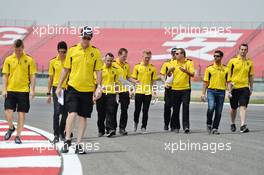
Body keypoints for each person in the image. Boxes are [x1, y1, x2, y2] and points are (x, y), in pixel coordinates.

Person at [56, 26, 103, 154]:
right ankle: (67, 140)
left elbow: (98, 71)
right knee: (72, 113)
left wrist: (99, 87)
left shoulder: (96, 52)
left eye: (88, 38)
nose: (86, 40)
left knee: (83, 117)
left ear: (91, 38)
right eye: (84, 37)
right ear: (80, 36)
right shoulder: (72, 50)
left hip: (88, 90)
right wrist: (59, 86)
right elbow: (65, 69)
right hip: (73, 88)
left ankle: (78, 144)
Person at [2, 39, 37, 144]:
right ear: (14, 48)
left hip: (23, 90)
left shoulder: (29, 60)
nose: (18, 52)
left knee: (21, 114)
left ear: (23, 47)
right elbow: (5, 75)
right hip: (11, 89)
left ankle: (18, 136)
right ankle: (11, 127)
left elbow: (33, 75)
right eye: (16, 50)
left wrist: (32, 89)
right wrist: (4, 89)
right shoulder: (8, 60)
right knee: (8, 111)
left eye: (20, 50)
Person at [201, 50, 232, 134]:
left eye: (217, 56)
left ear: (221, 57)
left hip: (221, 92)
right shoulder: (209, 68)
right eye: (214, 56)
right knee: (211, 108)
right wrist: (203, 93)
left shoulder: (226, 69)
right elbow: (205, 82)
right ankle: (209, 123)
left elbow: (228, 81)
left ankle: (215, 128)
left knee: (218, 111)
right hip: (211, 91)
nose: (215, 57)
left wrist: (229, 91)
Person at [227, 44, 254, 133]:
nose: (243, 51)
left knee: (243, 106)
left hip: (245, 87)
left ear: (247, 51)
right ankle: (232, 123)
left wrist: (251, 87)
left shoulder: (250, 62)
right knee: (233, 107)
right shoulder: (232, 61)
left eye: (245, 49)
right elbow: (228, 75)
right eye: (242, 49)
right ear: (239, 50)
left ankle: (242, 125)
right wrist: (229, 88)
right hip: (234, 88)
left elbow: (250, 76)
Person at [167, 48, 195, 134]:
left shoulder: (189, 62)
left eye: (177, 53)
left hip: (186, 89)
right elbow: (168, 75)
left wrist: (185, 71)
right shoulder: (173, 62)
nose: (175, 55)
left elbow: (192, 74)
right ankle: (176, 126)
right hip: (175, 89)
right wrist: (169, 71)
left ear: (182, 54)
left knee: (186, 107)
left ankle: (186, 126)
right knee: (176, 109)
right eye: (175, 54)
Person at [112, 48, 138, 135]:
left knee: (124, 110)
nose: (125, 58)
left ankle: (122, 128)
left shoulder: (126, 65)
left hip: (125, 90)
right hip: (115, 90)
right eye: (123, 56)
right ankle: (113, 128)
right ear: (119, 55)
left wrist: (135, 81)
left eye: (126, 56)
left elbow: (127, 77)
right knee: (113, 110)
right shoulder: (113, 64)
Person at [131, 50, 158, 133]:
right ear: (142, 57)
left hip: (148, 92)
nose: (147, 59)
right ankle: (135, 123)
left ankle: (143, 127)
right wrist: (132, 90)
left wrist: (154, 91)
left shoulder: (153, 68)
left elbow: (154, 81)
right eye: (146, 57)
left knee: (145, 110)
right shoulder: (137, 67)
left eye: (149, 58)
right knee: (137, 110)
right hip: (139, 91)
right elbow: (134, 79)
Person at [47, 41, 69, 143]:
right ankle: (56, 134)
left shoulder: (70, 61)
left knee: (65, 113)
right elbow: (50, 78)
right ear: (58, 51)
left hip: (68, 89)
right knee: (56, 112)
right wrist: (48, 93)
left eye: (64, 52)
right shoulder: (52, 62)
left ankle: (61, 132)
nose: (62, 54)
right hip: (56, 89)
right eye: (60, 52)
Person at [96, 53, 120, 137]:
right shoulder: (99, 70)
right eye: (108, 60)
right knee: (101, 113)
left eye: (111, 61)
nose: (109, 62)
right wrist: (94, 94)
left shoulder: (115, 70)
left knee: (110, 111)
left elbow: (116, 83)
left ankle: (109, 129)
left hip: (111, 93)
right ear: (104, 60)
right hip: (101, 93)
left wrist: (117, 95)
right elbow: (95, 82)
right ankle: (101, 130)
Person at [160, 47, 177, 131]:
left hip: (177, 88)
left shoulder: (181, 63)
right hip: (168, 87)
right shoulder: (166, 63)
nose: (175, 54)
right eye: (173, 53)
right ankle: (166, 123)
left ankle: (173, 125)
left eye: (176, 53)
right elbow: (162, 75)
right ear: (171, 54)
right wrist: (165, 82)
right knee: (167, 106)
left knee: (175, 107)